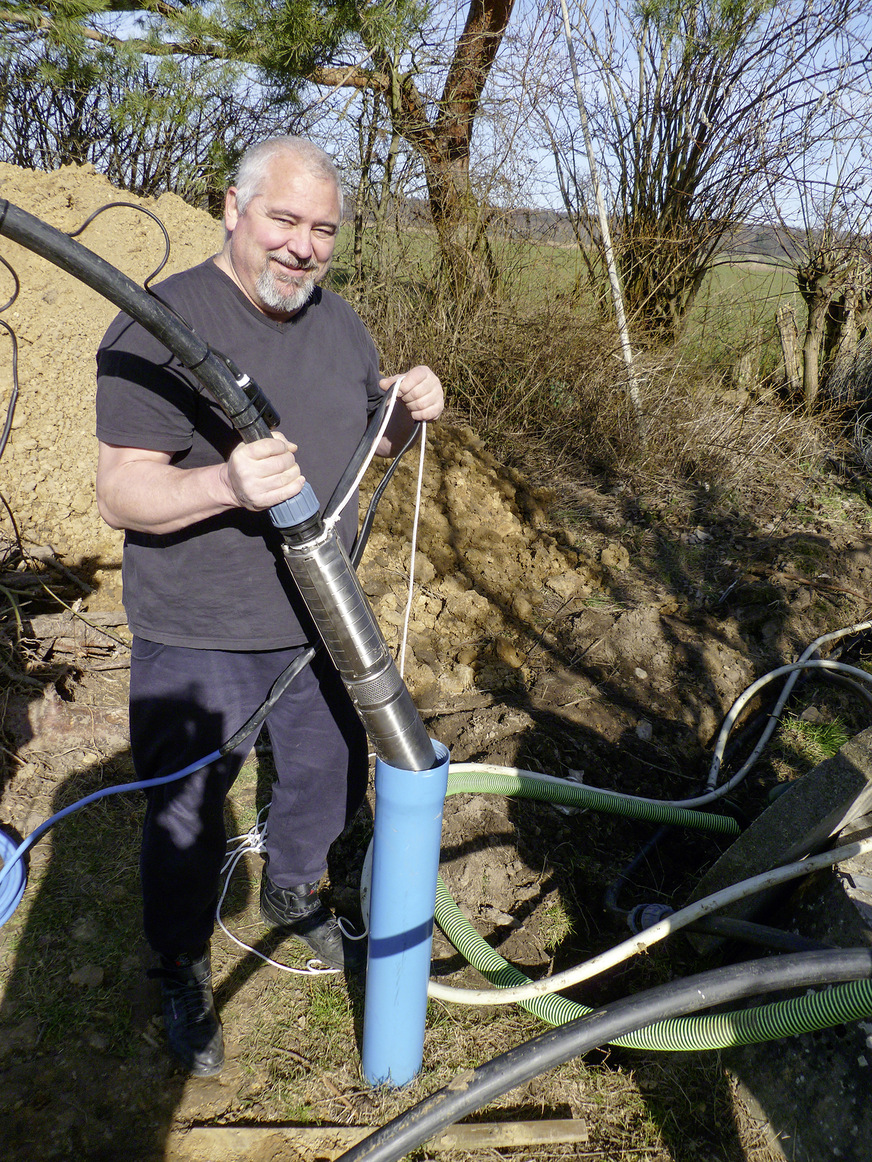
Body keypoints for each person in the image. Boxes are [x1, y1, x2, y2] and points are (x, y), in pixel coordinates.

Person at [94, 136, 444, 1077]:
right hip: (198, 627)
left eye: (323, 230)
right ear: (233, 209)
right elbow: (122, 493)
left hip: (320, 619)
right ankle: (178, 963)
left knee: (328, 777)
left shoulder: (343, 328)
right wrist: (227, 485)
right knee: (183, 817)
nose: (303, 247)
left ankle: (296, 893)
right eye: (284, 220)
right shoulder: (158, 324)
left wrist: (407, 410)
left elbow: (368, 452)